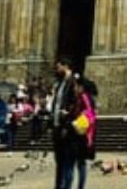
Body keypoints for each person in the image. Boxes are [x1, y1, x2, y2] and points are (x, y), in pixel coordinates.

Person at [48, 59, 84, 189]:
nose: (56, 70)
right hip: (58, 126)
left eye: (58, 67)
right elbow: (56, 104)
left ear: (66, 66)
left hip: (67, 128)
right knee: (59, 161)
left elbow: (75, 104)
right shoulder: (60, 84)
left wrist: (67, 118)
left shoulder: (73, 82)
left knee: (67, 161)